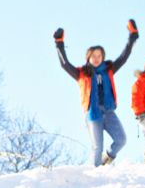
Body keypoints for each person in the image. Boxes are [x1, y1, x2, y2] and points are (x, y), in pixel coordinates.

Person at [54, 19, 139, 166]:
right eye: (93, 56)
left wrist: (132, 37)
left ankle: (108, 156)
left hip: (109, 111)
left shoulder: (109, 70)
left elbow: (124, 57)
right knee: (97, 146)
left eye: (99, 56)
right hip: (93, 114)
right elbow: (64, 64)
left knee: (121, 140)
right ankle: (96, 174)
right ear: (88, 57)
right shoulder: (81, 74)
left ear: (103, 57)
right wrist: (59, 43)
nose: (96, 58)